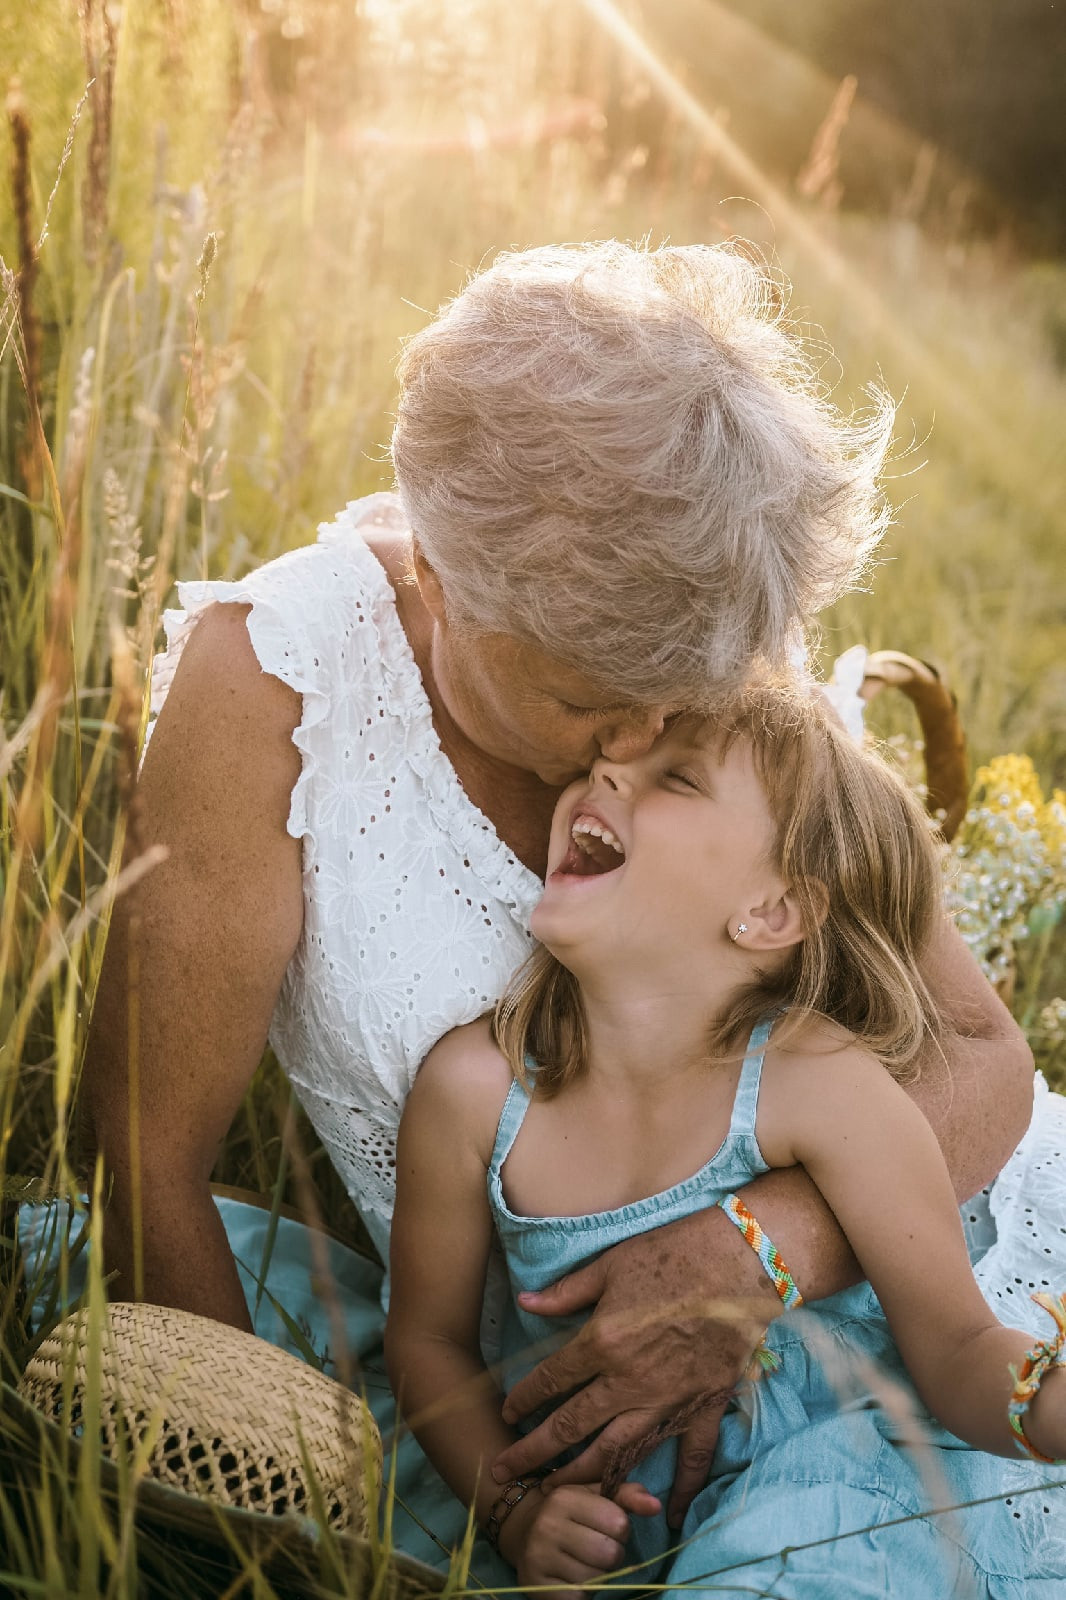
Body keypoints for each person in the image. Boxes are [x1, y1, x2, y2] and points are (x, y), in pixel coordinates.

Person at [78, 241, 1049, 1578]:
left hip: (933, 1279)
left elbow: (981, 1056)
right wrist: (281, 1517)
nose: (643, 734)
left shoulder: (686, 618)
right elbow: (145, 1151)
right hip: (528, 1399)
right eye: (596, 703)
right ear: (448, 586)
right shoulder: (278, 685)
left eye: (682, 712)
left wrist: (752, 1254)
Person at [386, 689, 1066, 1598]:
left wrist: (1045, 1404)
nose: (606, 769)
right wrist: (513, 1512)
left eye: (677, 778)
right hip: (620, 1512)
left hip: (838, 1471)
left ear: (773, 911)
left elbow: (955, 1349)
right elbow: (426, 1340)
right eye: (604, 763)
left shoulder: (820, 1084)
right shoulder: (475, 1090)